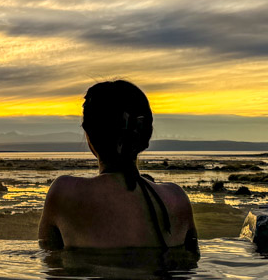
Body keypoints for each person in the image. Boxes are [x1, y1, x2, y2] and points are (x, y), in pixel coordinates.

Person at [38, 80, 198, 256]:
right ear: (146, 136)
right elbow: (188, 268)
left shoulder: (64, 192)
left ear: (90, 135)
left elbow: (52, 268)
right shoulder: (177, 198)